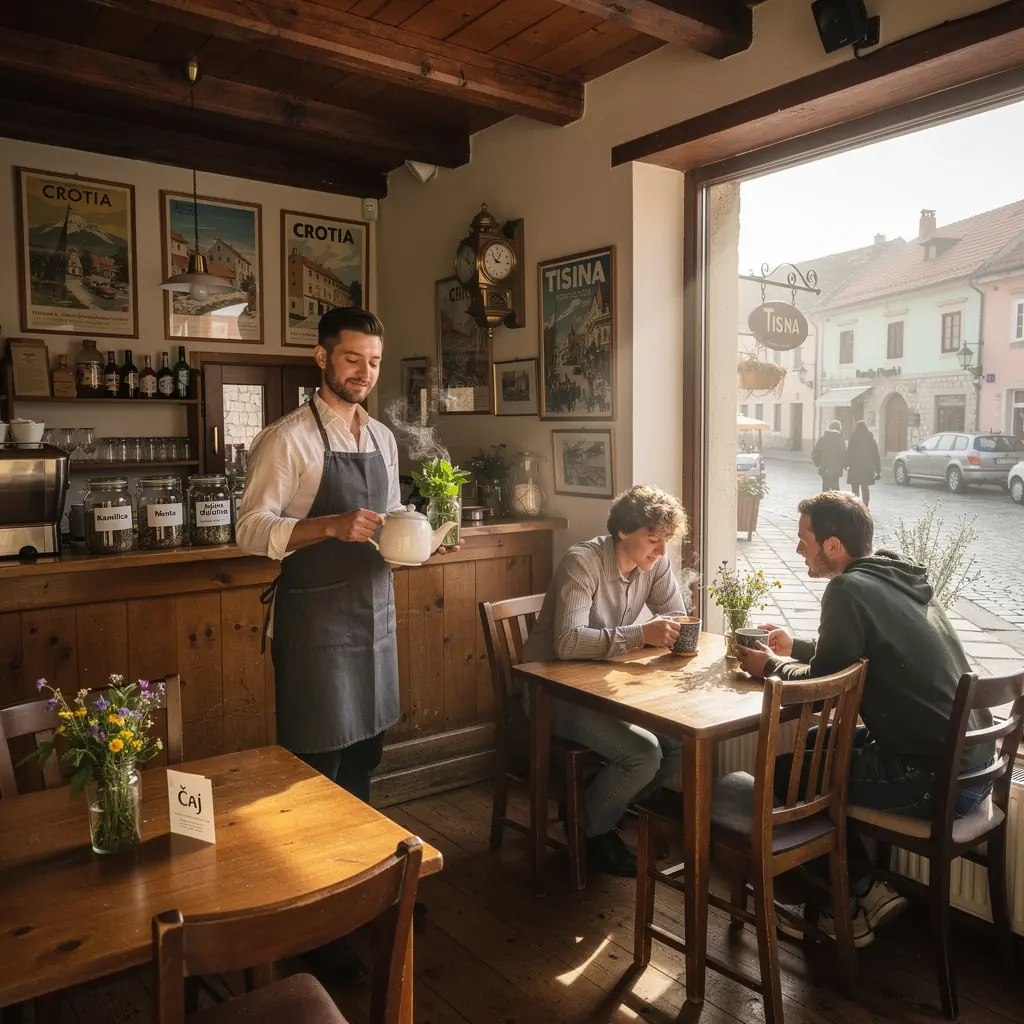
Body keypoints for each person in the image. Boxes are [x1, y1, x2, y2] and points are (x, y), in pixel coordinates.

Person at [734, 492, 994, 948]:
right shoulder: (897, 579)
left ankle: (849, 906)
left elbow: (828, 681)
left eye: (804, 540)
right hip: (971, 767)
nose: (799, 550)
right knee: (814, 743)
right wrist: (793, 647)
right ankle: (866, 890)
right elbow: (857, 656)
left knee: (788, 775)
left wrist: (769, 666)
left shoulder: (846, 589)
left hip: (932, 779)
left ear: (832, 545)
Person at [237, 307, 455, 801]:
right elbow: (249, 530)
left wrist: (422, 540)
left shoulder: (382, 437)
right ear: (322, 357)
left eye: (374, 362)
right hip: (316, 624)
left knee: (366, 754)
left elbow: (391, 513)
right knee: (316, 761)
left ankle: (365, 871)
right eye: (353, 359)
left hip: (375, 616)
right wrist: (330, 525)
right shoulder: (286, 439)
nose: (365, 373)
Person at [521, 485, 697, 877]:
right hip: (550, 691)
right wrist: (640, 635)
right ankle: (592, 832)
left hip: (598, 686)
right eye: (653, 539)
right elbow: (567, 643)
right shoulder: (582, 562)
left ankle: (594, 809)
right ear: (623, 532)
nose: (661, 550)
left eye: (666, 540)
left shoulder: (654, 565)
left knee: (681, 748)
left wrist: (683, 635)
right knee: (644, 753)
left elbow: (676, 619)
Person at [845, 420, 881, 506]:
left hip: (855, 467)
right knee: (865, 487)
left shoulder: (853, 438)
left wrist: (846, 464)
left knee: (855, 487)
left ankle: (856, 505)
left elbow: (849, 452)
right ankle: (865, 505)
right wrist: (878, 470)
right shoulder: (871, 440)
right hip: (867, 467)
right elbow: (876, 455)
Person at [811, 420, 847, 493]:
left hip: (825, 468)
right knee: (835, 491)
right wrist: (844, 465)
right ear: (838, 428)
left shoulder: (823, 438)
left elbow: (815, 453)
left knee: (825, 490)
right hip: (836, 470)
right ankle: (835, 503)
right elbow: (843, 455)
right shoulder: (840, 440)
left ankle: (825, 503)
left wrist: (818, 463)